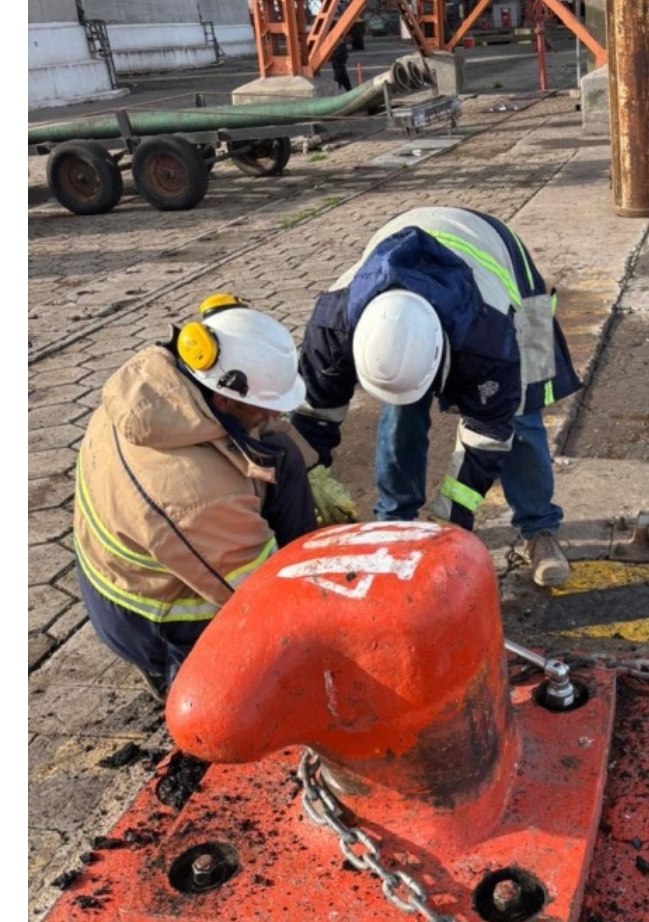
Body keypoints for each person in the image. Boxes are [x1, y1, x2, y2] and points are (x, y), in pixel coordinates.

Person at [291, 206, 582, 587]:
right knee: (400, 410)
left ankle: (539, 528)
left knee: (523, 414)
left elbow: (488, 435)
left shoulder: (492, 339)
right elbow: (312, 417)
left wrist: (450, 524)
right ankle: (396, 523)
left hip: (510, 268)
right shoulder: (332, 324)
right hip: (408, 245)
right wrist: (309, 482)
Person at [73, 295, 322, 700]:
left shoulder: (159, 392)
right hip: (147, 616)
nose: (272, 417)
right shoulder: (194, 497)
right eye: (262, 407)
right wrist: (320, 626)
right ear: (224, 399)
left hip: (123, 567)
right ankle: (181, 676)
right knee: (266, 667)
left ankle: (303, 572)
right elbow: (259, 596)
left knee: (283, 452)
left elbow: (268, 438)